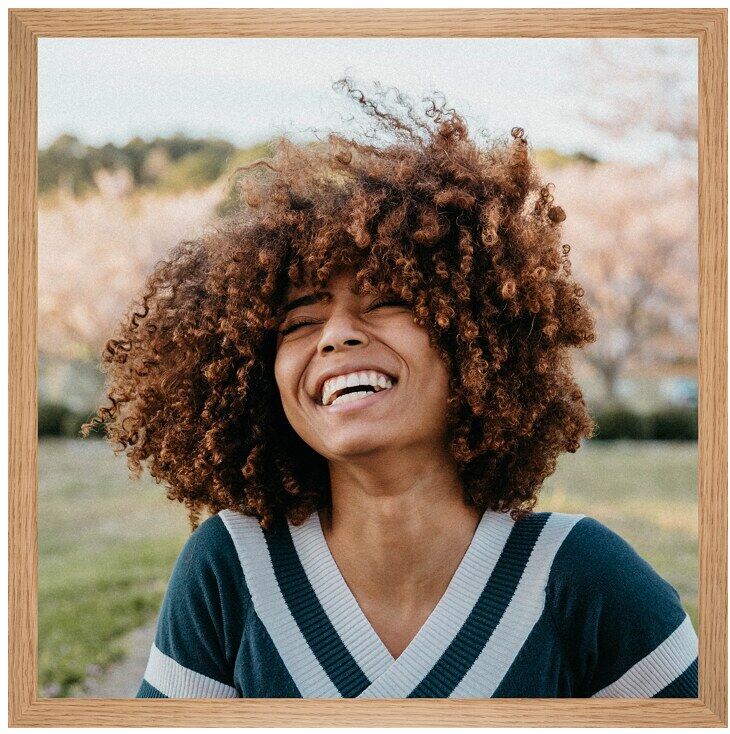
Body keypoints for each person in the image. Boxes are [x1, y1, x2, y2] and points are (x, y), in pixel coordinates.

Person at [85, 79, 698, 699]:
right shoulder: (231, 568)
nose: (336, 336)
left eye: (386, 301)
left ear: (473, 336)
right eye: (299, 321)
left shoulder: (579, 575)